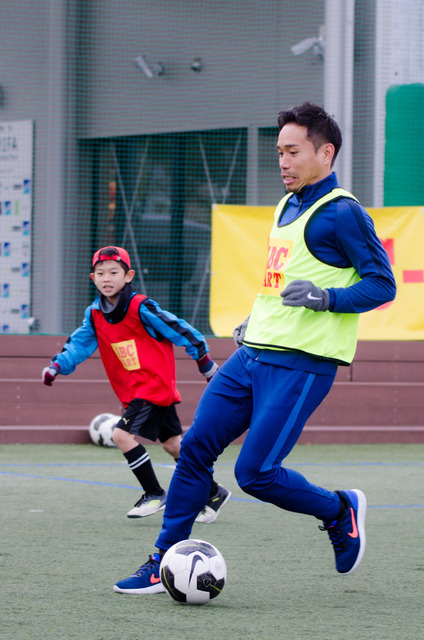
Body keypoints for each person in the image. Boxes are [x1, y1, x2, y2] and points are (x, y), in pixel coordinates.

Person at [113, 102, 396, 595]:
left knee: (256, 473)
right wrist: (255, 319)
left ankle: (339, 509)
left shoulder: (343, 214)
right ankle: (161, 562)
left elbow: (382, 285)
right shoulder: (286, 206)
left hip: (300, 365)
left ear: (326, 153)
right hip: (251, 356)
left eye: (293, 151)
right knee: (196, 448)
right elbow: (279, 283)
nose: (283, 162)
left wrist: (327, 298)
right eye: (279, 152)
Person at [42, 246, 231, 523]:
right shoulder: (94, 314)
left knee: (121, 435)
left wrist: (203, 361)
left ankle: (153, 492)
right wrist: (57, 366)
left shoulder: (141, 306)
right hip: (133, 392)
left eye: (114, 273)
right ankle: (214, 493)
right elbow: (78, 345)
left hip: (153, 388)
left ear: (128, 275)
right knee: (173, 445)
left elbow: (180, 330)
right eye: (100, 273)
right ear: (92, 278)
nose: (107, 278)